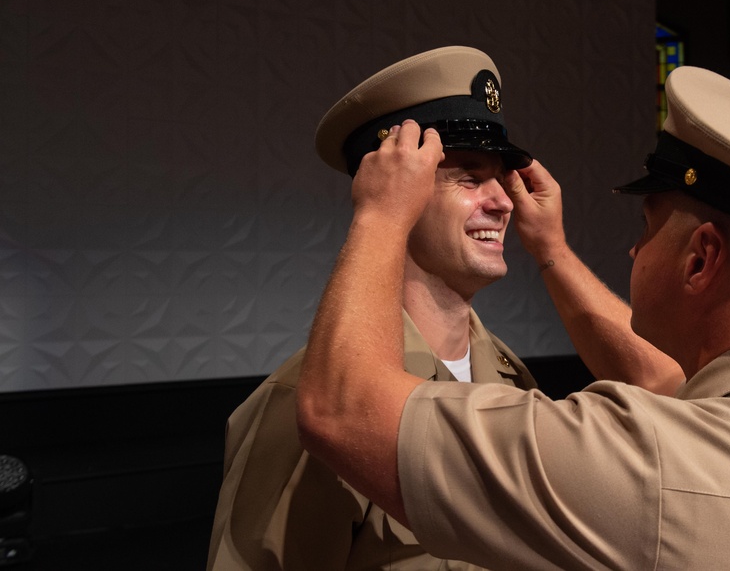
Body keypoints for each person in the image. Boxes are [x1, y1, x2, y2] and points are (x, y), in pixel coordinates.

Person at [297, 65, 730, 569]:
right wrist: (551, 252)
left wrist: (382, 214)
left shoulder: (654, 465)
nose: (633, 248)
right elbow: (676, 390)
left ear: (700, 259)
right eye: (468, 178)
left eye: (647, 225)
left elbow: (342, 410)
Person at [206, 45, 680, 570]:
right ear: (400, 194)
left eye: (503, 179)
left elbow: (667, 386)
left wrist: (553, 249)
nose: (503, 202)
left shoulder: (510, 378)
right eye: (470, 178)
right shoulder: (307, 398)